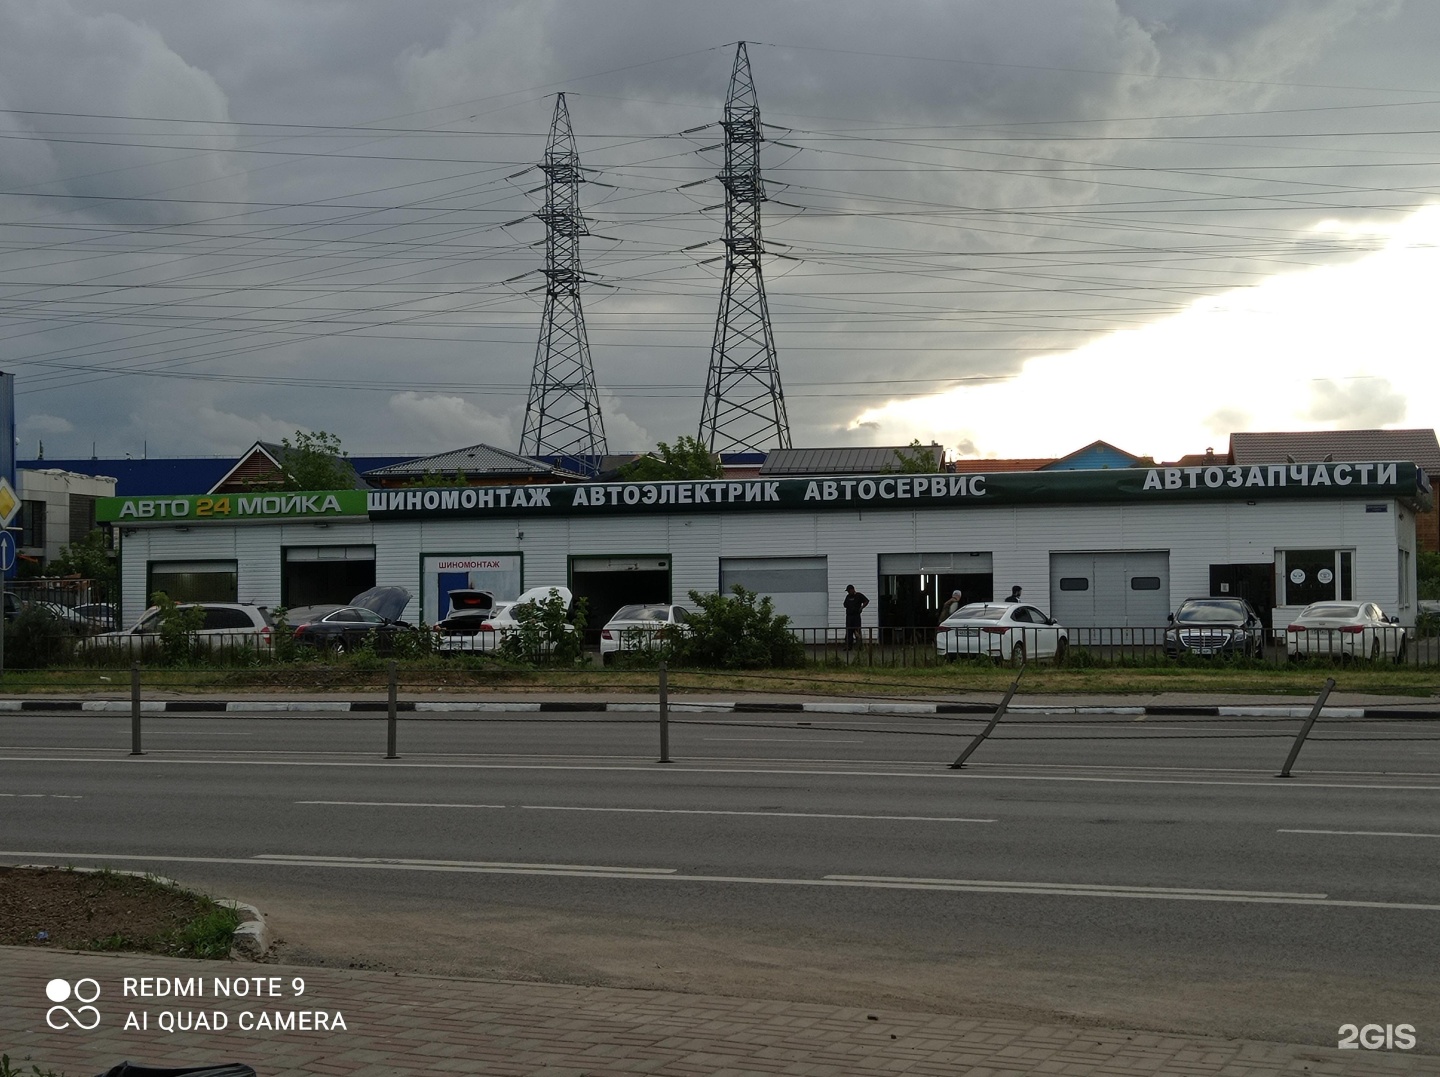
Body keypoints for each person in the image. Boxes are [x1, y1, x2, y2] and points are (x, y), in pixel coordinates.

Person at [842, 584, 869, 650]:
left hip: (856, 616)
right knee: (849, 632)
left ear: (852, 589)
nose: (848, 592)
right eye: (847, 591)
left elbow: (866, 601)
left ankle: (859, 646)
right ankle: (848, 646)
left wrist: (861, 607)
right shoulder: (848, 597)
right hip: (849, 617)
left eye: (849, 590)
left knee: (857, 631)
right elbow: (845, 604)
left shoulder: (858, 595)